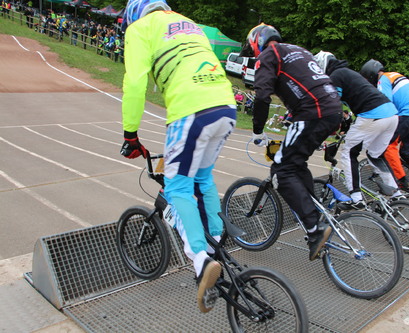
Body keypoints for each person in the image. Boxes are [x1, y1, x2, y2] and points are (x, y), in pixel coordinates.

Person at [119, 0, 237, 313]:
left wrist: (130, 134)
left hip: (191, 109)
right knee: (202, 176)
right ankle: (215, 236)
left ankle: (200, 259)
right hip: (225, 106)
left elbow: (135, 82)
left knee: (177, 187)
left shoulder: (140, 27)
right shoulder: (188, 22)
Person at [240, 25, 343, 261]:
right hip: (331, 110)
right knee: (296, 162)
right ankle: (314, 210)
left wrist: (257, 130)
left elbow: (262, 95)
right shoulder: (299, 50)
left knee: (281, 170)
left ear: (257, 41)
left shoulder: (268, 55)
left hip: (312, 113)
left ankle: (314, 229)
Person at [315, 52, 401, 207]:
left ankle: (356, 198)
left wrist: (322, 130)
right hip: (391, 115)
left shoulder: (335, 76)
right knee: (375, 155)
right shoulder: (348, 73)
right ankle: (396, 193)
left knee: (349, 152)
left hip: (374, 114)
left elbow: (333, 106)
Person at [360, 59, 409, 187]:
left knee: (388, 145)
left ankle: (401, 180)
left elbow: (385, 102)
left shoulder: (383, 79)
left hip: (408, 114)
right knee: (408, 152)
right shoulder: (397, 75)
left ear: (371, 75)